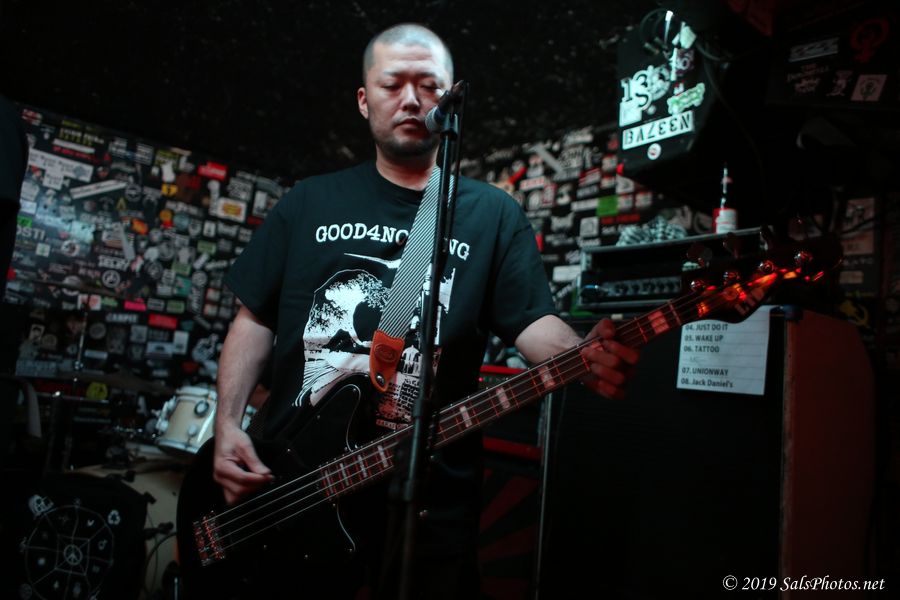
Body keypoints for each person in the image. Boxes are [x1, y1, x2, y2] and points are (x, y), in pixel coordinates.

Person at [212, 23, 639, 599]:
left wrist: (583, 354)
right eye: (392, 84)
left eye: (429, 85)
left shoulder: (492, 214)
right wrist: (227, 424)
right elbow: (254, 319)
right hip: (293, 483)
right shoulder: (309, 201)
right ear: (364, 99)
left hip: (430, 503)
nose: (411, 99)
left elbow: (531, 325)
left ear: (451, 99)